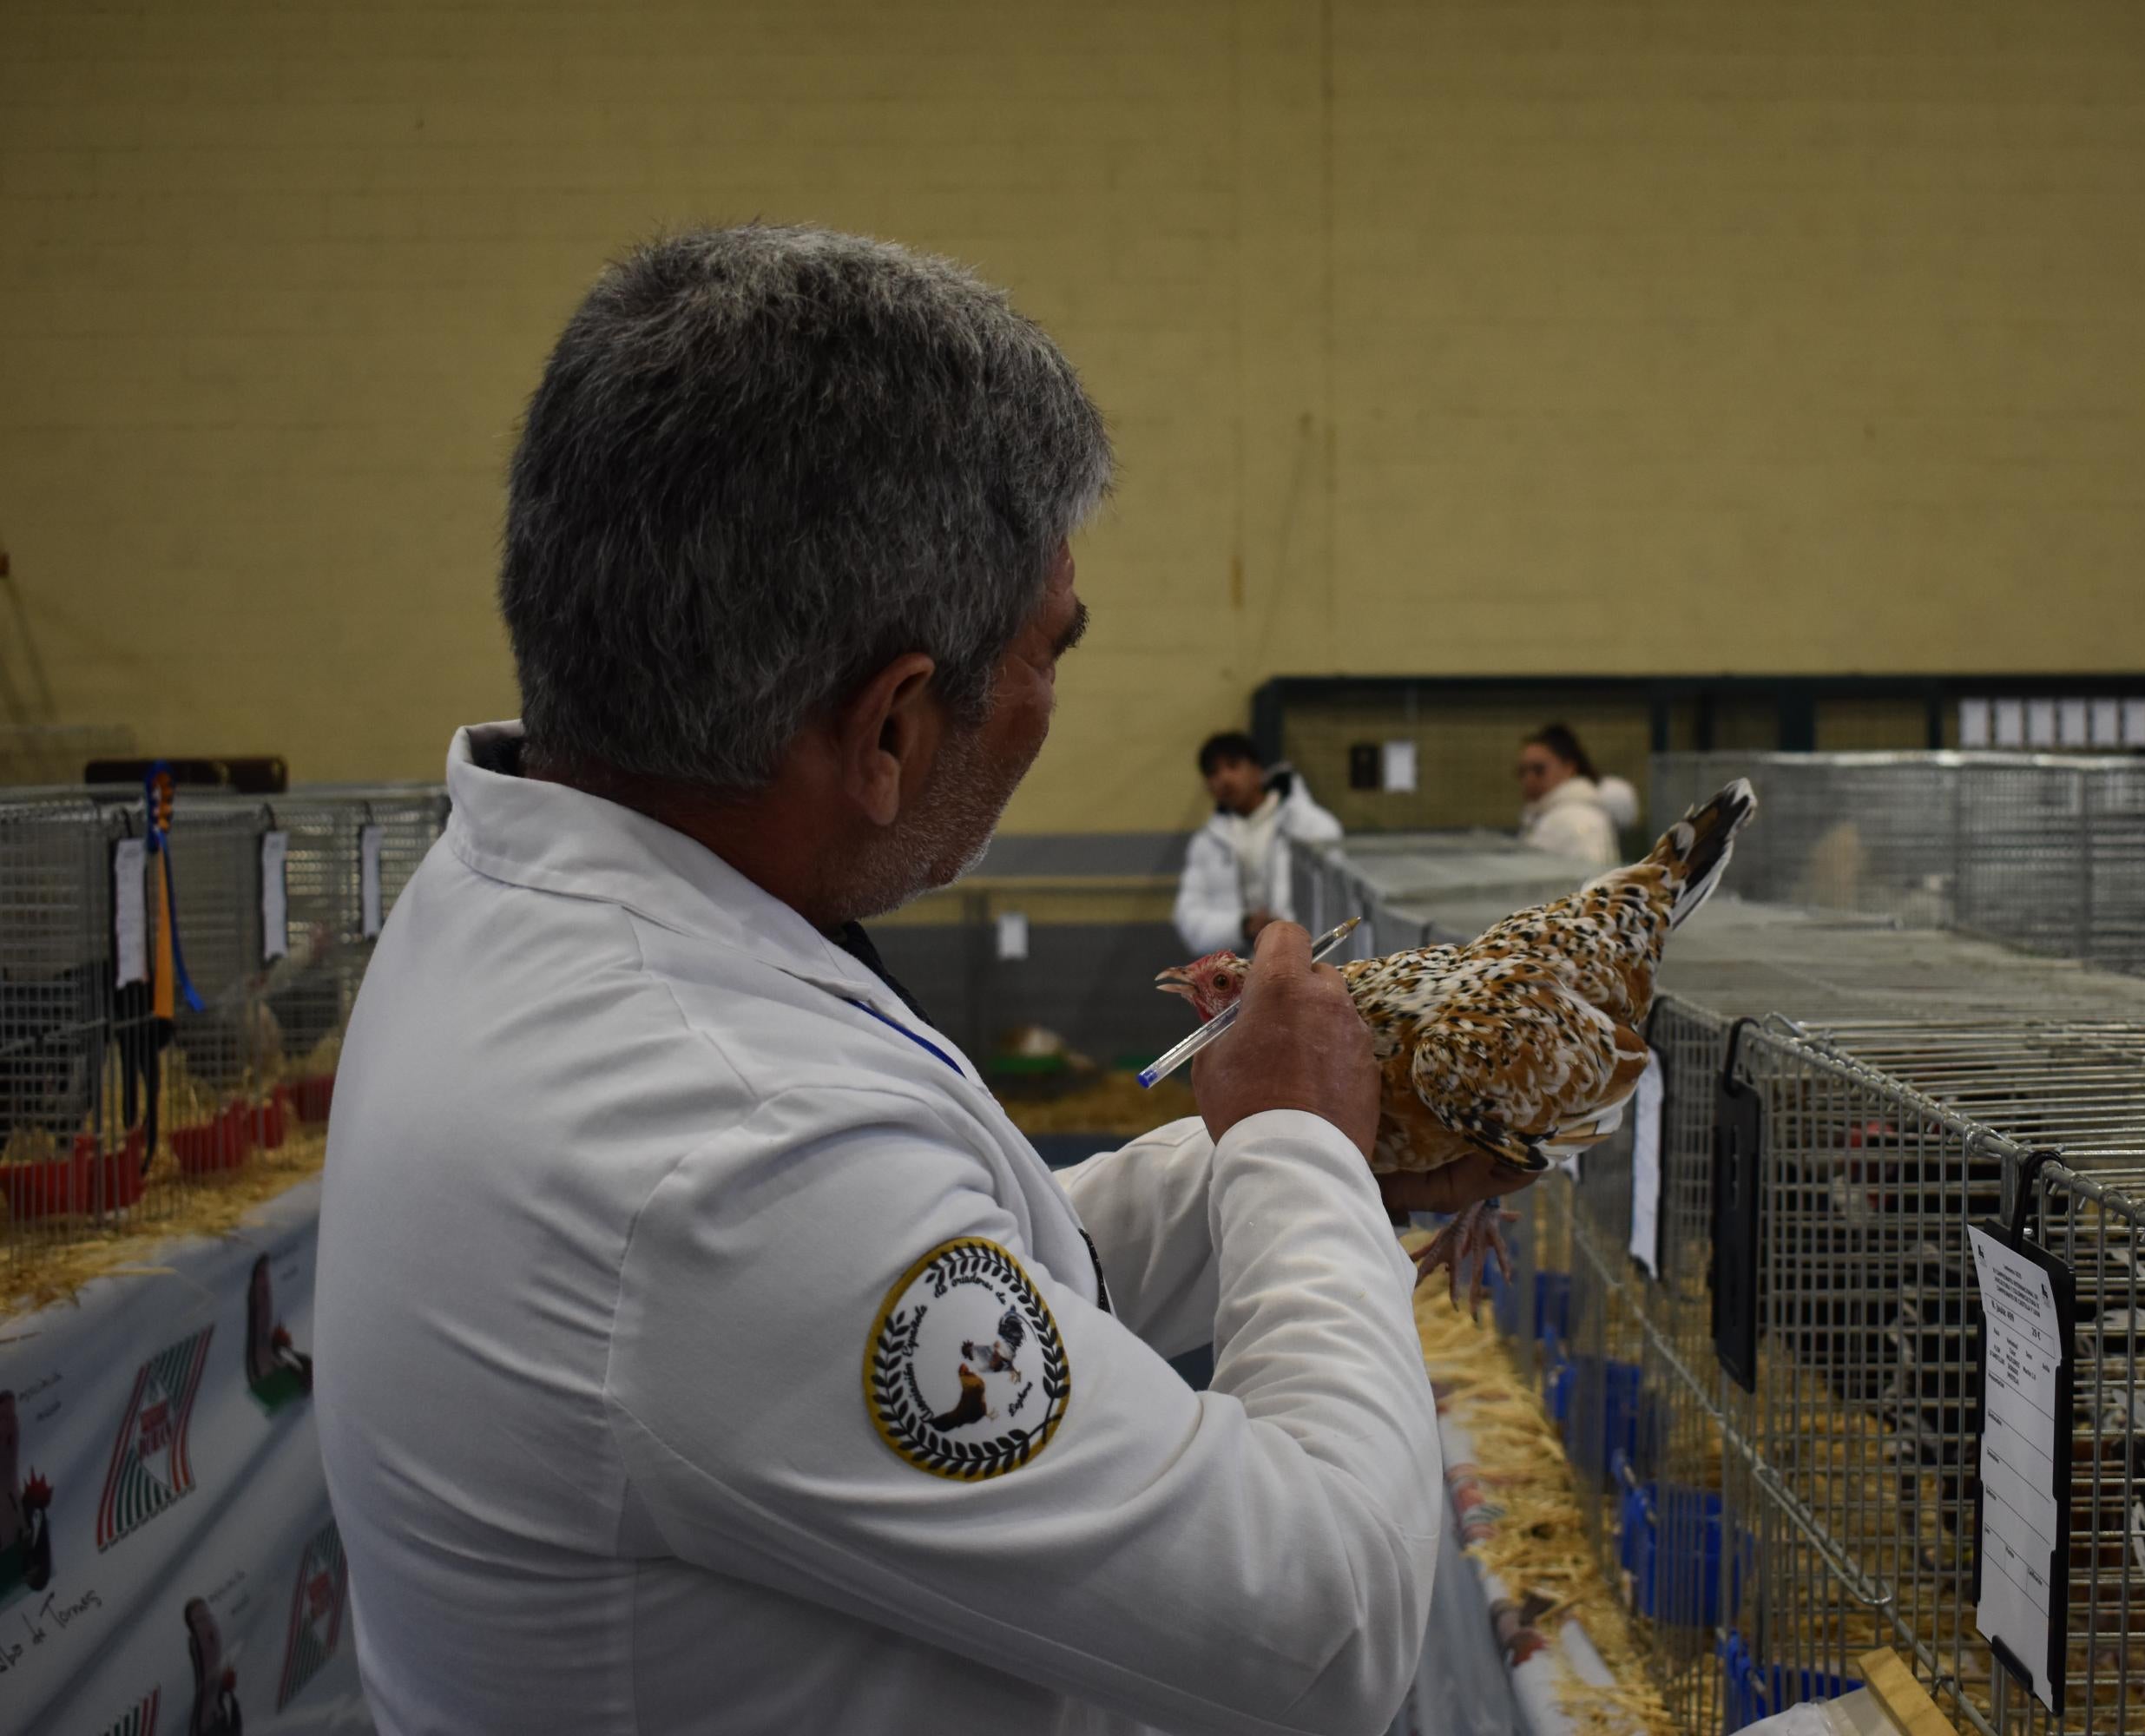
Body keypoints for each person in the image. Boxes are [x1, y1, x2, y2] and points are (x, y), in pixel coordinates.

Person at [312, 226, 1521, 1736]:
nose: (1049, 705)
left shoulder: (535, 901)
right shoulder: (719, 1154)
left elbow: (949, 1273)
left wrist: (1262, 1168)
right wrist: (1300, 1154)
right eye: (1048, 650)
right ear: (889, 726)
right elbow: (1326, 1627)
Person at [1172, 732, 1343, 954]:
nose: (1224, 778)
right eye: (1213, 773)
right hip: (1238, 972)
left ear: (1257, 771)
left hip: (1307, 961)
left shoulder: (1310, 826)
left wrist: (1283, 930)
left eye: (1233, 765)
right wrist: (1242, 926)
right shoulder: (1206, 844)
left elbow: (1334, 903)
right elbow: (1189, 917)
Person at [1515, 724, 1626, 868]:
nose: (1529, 780)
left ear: (1569, 768)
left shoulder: (1580, 820)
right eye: (1522, 772)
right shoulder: (1544, 817)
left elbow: (1593, 881)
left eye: (1539, 770)